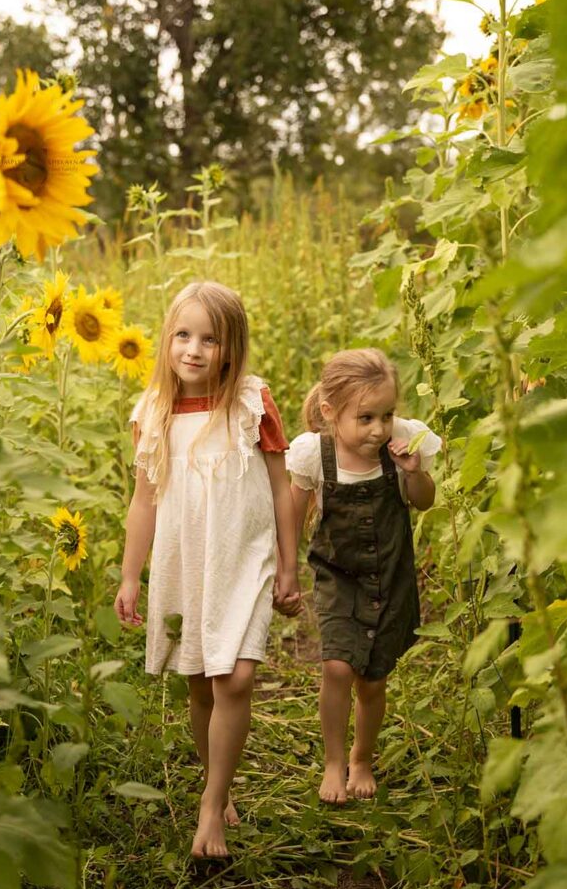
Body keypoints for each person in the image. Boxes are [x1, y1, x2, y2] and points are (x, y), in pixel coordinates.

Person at [114, 281, 300, 858]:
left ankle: (208, 809)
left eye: (210, 339)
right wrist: (129, 575)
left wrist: (290, 567)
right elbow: (144, 501)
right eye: (183, 335)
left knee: (235, 678)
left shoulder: (251, 401)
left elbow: (280, 483)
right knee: (200, 681)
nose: (193, 350)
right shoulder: (153, 411)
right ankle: (219, 784)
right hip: (184, 558)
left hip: (243, 554)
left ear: (232, 346)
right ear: (167, 341)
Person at [282, 348, 441, 804]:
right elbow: (292, 519)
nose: (378, 429)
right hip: (338, 578)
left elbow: (425, 501)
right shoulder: (315, 454)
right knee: (336, 666)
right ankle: (333, 762)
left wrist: (414, 474)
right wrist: (287, 572)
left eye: (387, 415)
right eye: (366, 417)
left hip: (390, 578)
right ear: (331, 413)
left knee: (372, 679)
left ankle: (362, 757)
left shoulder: (402, 444)